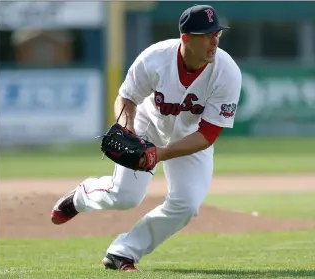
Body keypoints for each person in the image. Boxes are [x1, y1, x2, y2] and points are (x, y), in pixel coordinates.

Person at [51, 4, 242, 272]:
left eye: (216, 33)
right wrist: (128, 131)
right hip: (147, 125)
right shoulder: (156, 58)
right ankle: (81, 197)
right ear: (186, 37)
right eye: (206, 34)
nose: (214, 40)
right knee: (125, 196)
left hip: (191, 137)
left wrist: (160, 153)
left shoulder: (227, 72)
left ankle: (122, 253)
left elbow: (208, 134)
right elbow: (126, 98)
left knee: (186, 204)